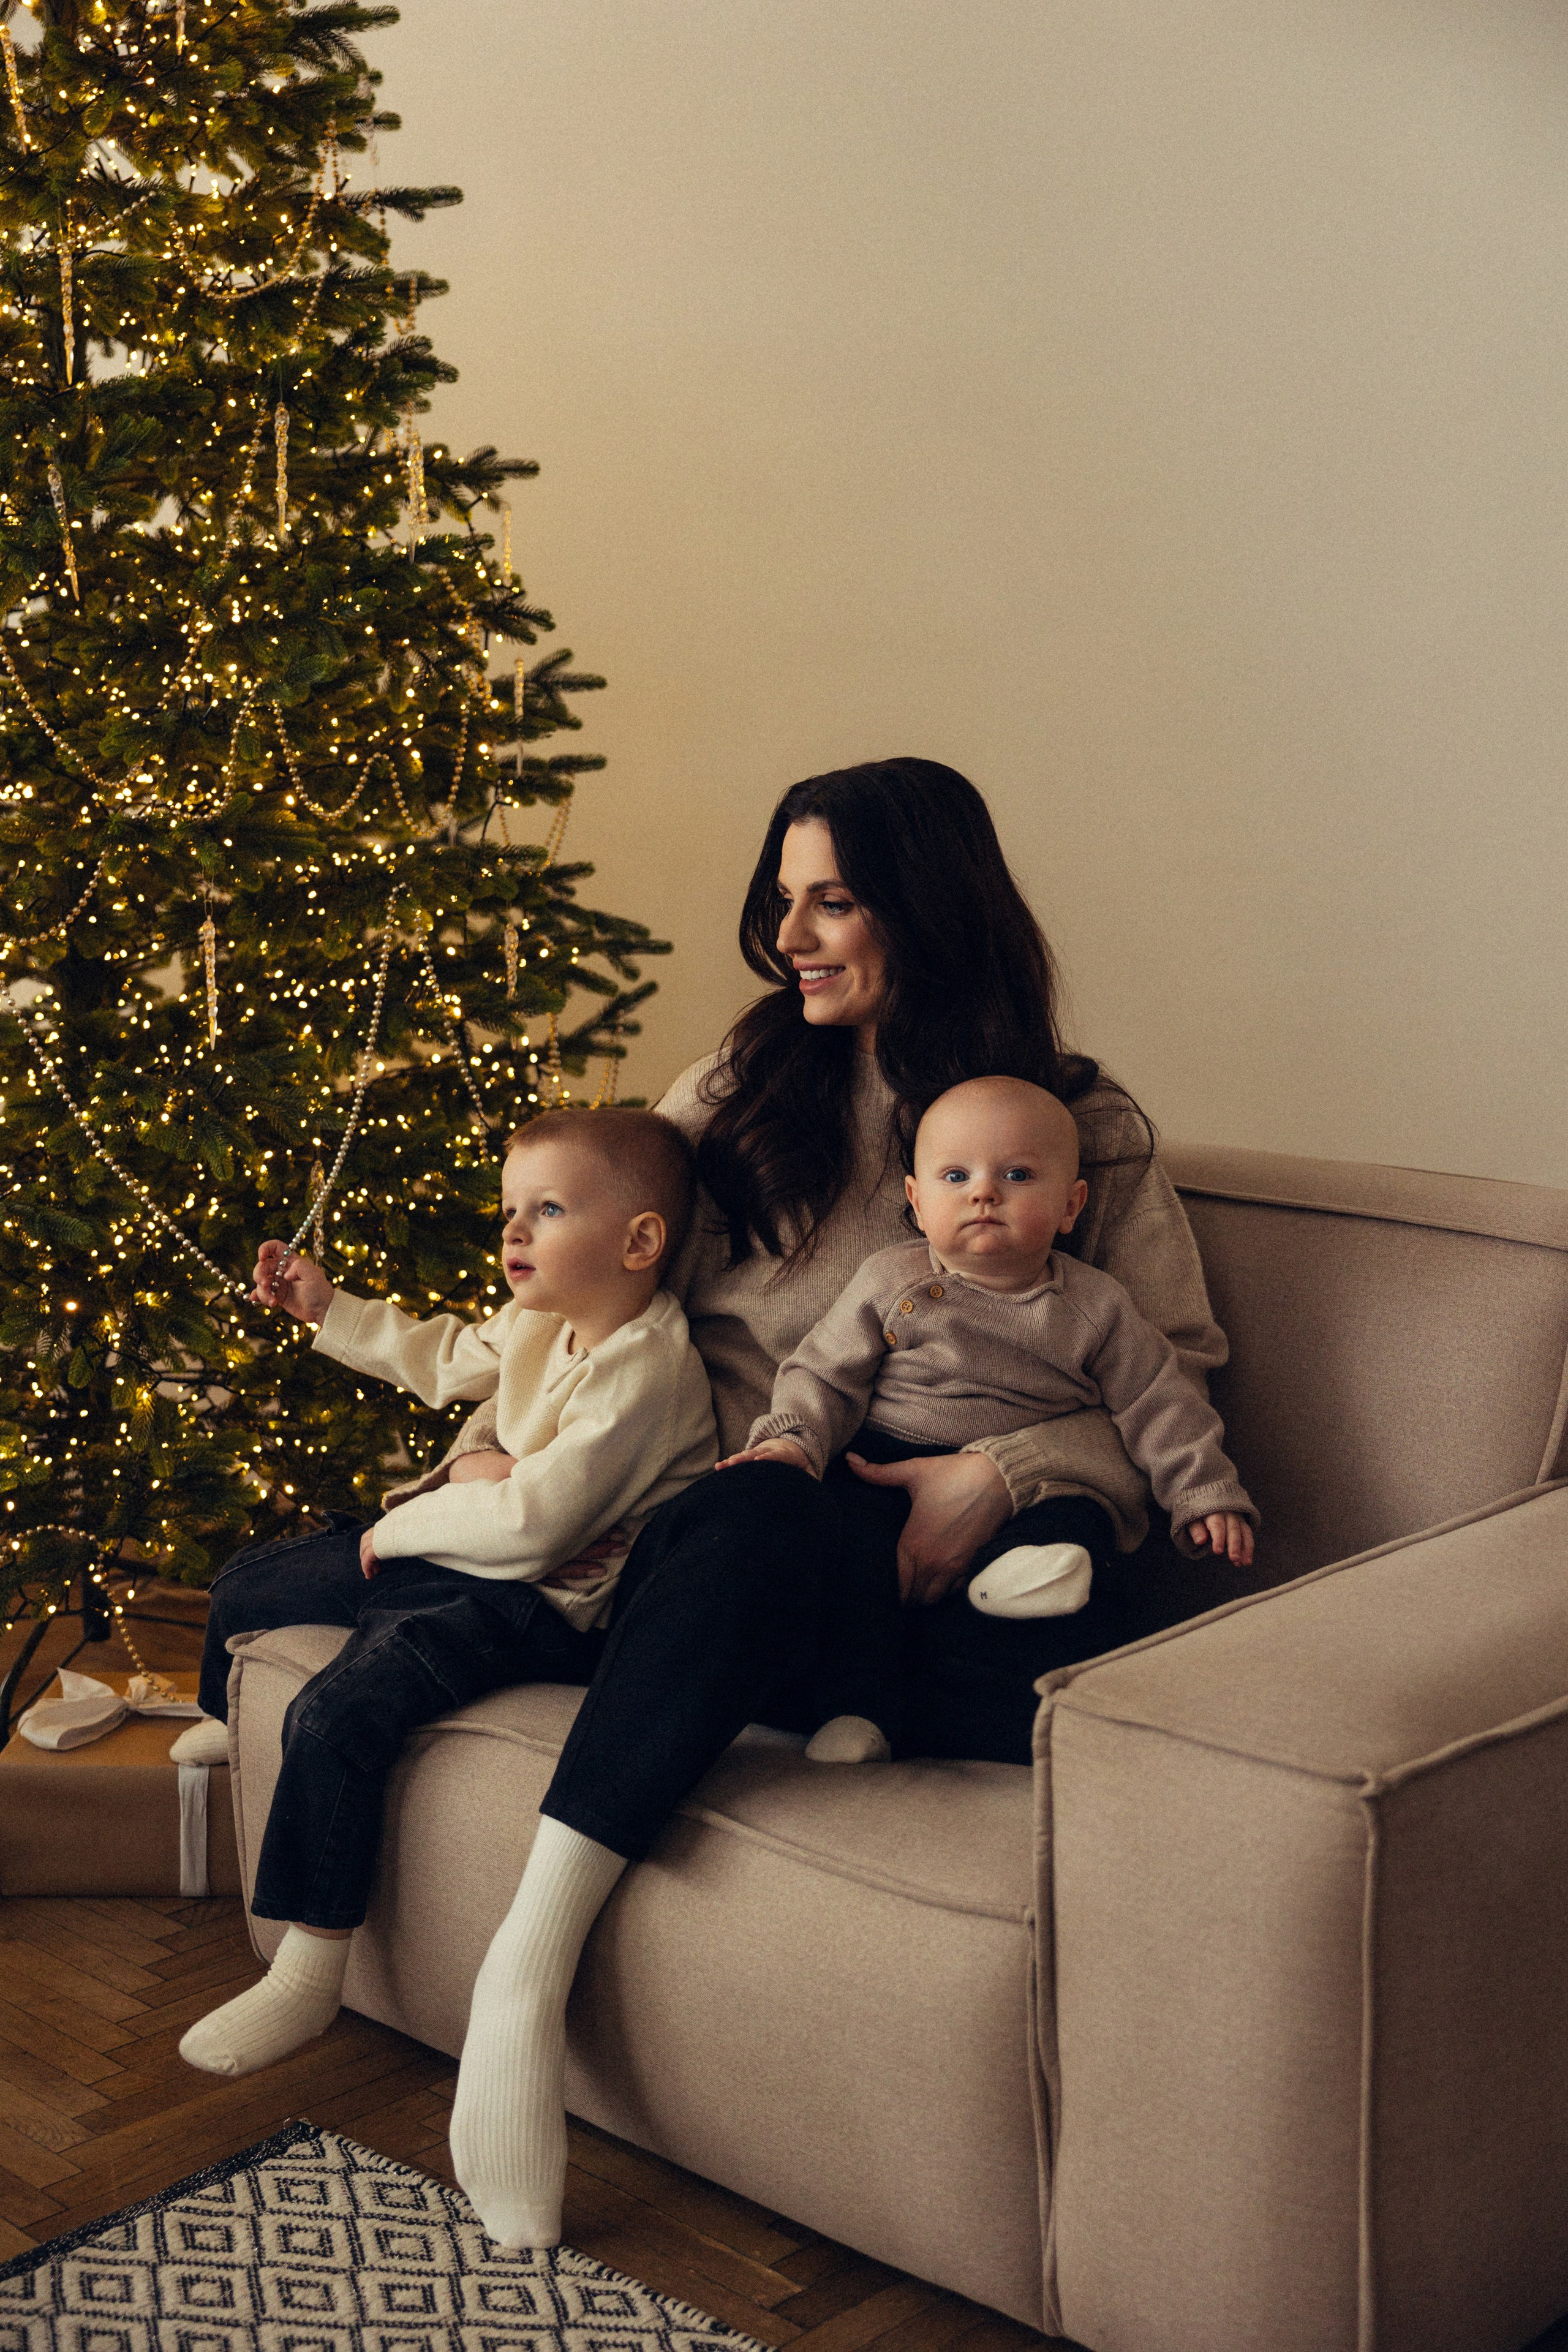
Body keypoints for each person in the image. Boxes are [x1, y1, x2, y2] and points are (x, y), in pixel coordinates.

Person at [174, 1106, 715, 2182]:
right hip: (451, 1548)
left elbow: (535, 1526)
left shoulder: (649, 1370)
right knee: (244, 1587)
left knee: (335, 1709)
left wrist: (399, 1526)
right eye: (511, 1209)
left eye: (549, 1209)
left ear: (640, 1242)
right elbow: (437, 1356)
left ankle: (309, 1967)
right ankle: (216, 1723)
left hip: (534, 1605)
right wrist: (326, 1307)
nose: (514, 1231)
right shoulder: (537, 1321)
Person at [720, 1074, 1256, 1760]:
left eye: (1016, 1174)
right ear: (915, 1202)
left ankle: (1029, 1578)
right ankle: (858, 1712)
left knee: (1078, 1515)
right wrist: (794, 1442)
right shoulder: (890, 1281)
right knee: (850, 1551)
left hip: (1029, 1480)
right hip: (883, 1457)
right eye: (955, 1174)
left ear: (1071, 1205)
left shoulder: (1097, 1306)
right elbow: (823, 1373)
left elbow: (1161, 1404)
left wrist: (1203, 1494)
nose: (984, 1192)